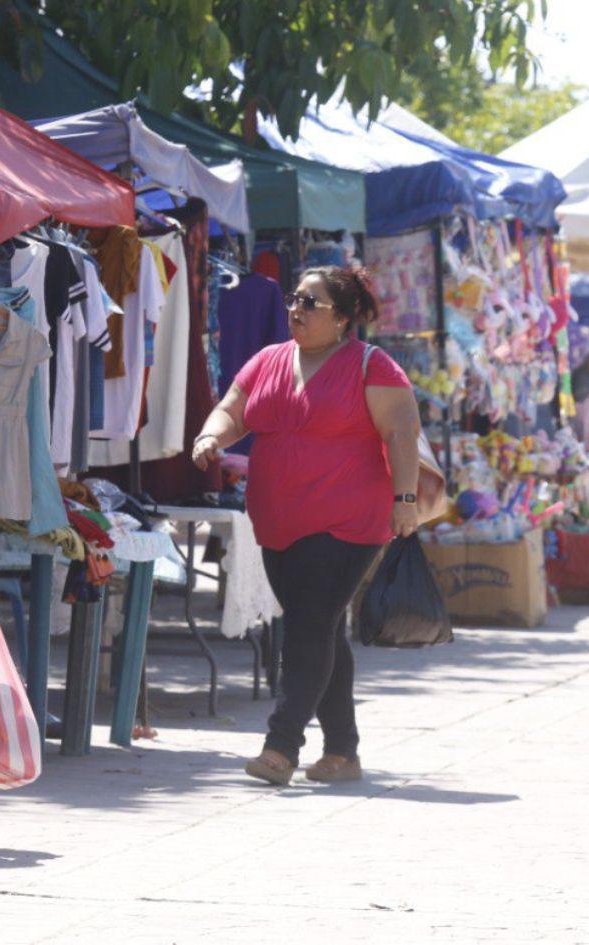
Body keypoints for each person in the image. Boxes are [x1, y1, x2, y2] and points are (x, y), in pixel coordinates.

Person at [191, 266, 420, 786]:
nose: (296, 309)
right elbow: (234, 408)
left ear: (342, 317)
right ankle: (343, 751)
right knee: (320, 627)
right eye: (294, 299)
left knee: (306, 627)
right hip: (277, 522)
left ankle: (281, 746)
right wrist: (212, 436)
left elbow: (402, 433)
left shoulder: (370, 365)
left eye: (310, 303)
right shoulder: (269, 360)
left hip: (348, 522)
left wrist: (404, 499)